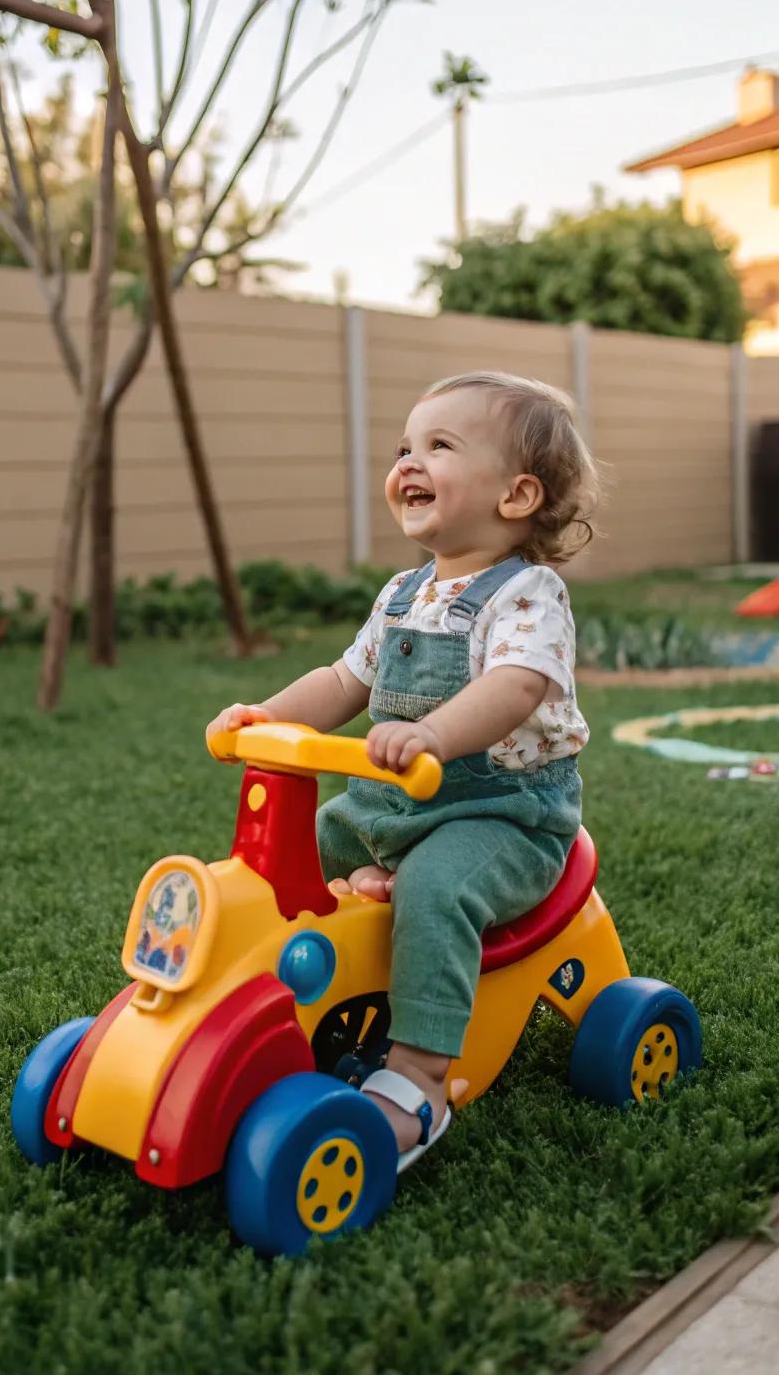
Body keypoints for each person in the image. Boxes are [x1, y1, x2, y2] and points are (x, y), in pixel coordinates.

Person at [206, 371, 599, 1171]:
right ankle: (254, 1013)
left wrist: (433, 731)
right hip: (394, 808)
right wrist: (268, 716)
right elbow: (345, 681)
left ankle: (415, 1080)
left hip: (505, 819)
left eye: (440, 446)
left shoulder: (527, 594)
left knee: (437, 887)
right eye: (403, 448)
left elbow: (515, 685)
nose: (409, 463)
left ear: (517, 495)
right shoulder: (400, 595)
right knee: (292, 853)